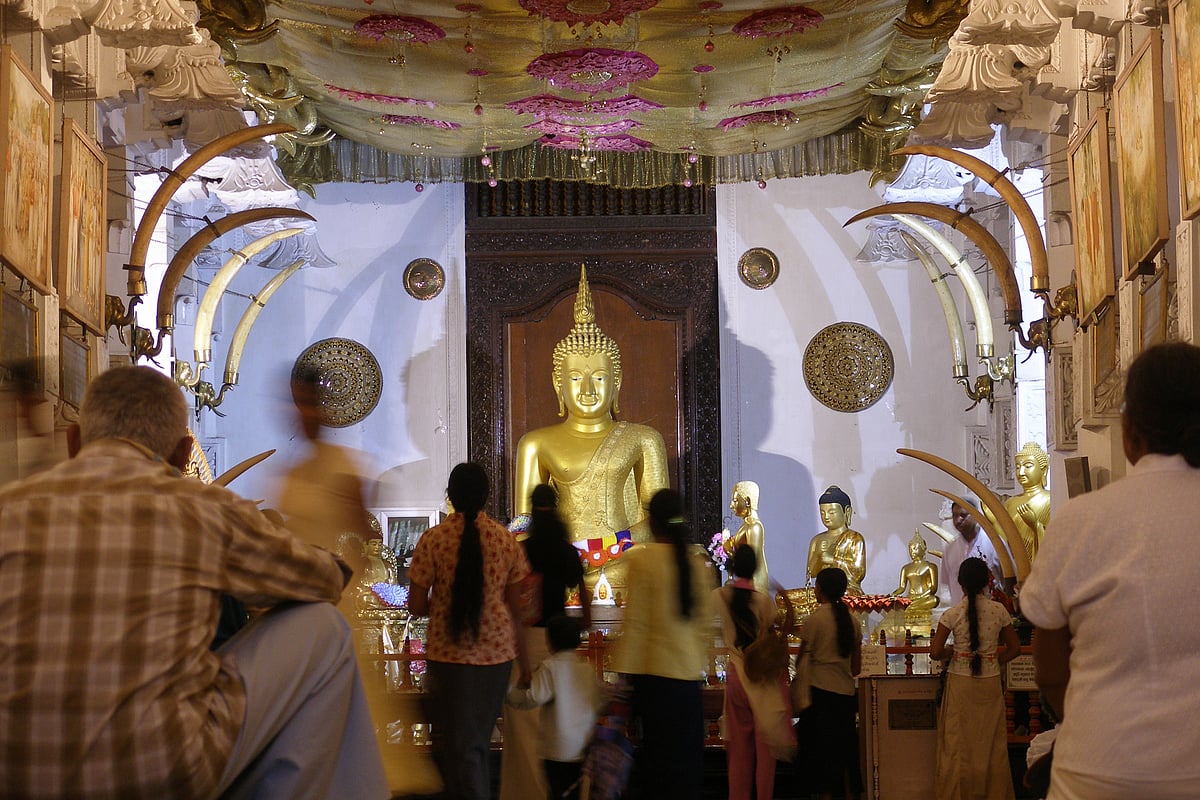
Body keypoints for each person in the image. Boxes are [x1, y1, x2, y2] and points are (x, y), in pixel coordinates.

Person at [0, 365, 388, 799]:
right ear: (185, 454)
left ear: (73, 442)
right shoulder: (207, 510)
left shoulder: (9, 509)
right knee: (325, 626)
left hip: (17, 776)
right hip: (161, 772)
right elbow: (326, 580)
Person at [1021, 342, 1200, 800]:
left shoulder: (1081, 519)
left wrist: (1084, 720)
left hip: (1096, 770)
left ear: (1129, 431)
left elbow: (1048, 664)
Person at [512, 265, 669, 596]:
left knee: (667, 560)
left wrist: (605, 549)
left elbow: (659, 522)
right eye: (574, 378)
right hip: (563, 565)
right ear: (558, 384)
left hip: (623, 560)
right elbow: (525, 523)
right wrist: (563, 555)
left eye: (598, 377)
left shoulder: (643, 439)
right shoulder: (536, 444)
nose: (586, 390)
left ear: (617, 382)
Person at [408, 462, 532, 800]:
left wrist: (446, 608)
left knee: (456, 745)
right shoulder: (506, 541)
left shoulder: (433, 540)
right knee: (474, 743)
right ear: (486, 496)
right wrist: (528, 663)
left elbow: (416, 605)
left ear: (450, 496)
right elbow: (516, 609)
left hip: (446, 655)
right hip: (496, 656)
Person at [612, 488, 713, 800]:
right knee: (685, 768)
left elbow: (637, 624)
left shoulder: (642, 560)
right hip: (687, 679)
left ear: (652, 522)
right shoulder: (697, 565)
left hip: (654, 680)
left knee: (657, 768)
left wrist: (622, 677)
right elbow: (703, 626)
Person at [501, 483, 592, 800]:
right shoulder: (566, 550)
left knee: (525, 727)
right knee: (555, 723)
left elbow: (510, 601)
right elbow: (581, 587)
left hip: (525, 639)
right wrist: (584, 622)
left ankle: (526, 792)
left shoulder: (522, 549)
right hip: (559, 645)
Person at [930, 557, 1020, 800]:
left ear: (960, 583)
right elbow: (1015, 649)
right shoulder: (999, 610)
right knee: (991, 744)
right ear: (985, 582)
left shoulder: (952, 614)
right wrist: (993, 659)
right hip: (989, 683)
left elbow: (936, 652)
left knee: (958, 745)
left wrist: (953, 652)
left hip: (960, 682)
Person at [712, 544, 794, 800]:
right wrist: (786, 599)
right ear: (756, 568)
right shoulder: (763, 601)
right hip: (761, 679)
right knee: (765, 753)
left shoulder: (719, 596)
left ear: (732, 567)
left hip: (737, 676)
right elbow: (783, 628)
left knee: (738, 753)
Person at [505, 615, 604, 800]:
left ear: (550, 642)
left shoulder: (550, 668)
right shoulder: (587, 669)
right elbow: (599, 702)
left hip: (557, 750)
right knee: (574, 793)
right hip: (583, 747)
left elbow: (532, 698)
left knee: (557, 792)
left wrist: (507, 692)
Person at [794, 567, 863, 800]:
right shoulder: (853, 622)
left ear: (820, 590)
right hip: (845, 697)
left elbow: (800, 658)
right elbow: (856, 668)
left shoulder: (815, 619)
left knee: (822, 759)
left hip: (820, 696)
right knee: (844, 756)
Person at [992, 442, 1051, 563]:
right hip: (1016, 568)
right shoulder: (1011, 502)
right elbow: (1005, 542)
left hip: (1039, 566)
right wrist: (994, 522)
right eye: (1018, 467)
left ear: (1043, 470)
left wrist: (1036, 525)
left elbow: (1056, 541)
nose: (1021, 472)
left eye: (1028, 466)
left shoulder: (1050, 499)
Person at [943, 496, 1004, 604]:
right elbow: (948, 582)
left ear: (975, 515)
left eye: (963, 515)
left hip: (991, 613)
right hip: (960, 614)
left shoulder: (995, 543)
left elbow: (1008, 578)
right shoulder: (950, 549)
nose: (958, 520)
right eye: (954, 515)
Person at [806, 485, 866, 594]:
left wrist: (831, 560)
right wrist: (818, 555)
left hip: (847, 589)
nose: (826, 517)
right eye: (822, 512)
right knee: (782, 598)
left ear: (846, 511)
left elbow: (858, 572)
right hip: (821, 591)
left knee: (845, 594)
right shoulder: (817, 540)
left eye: (832, 512)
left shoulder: (855, 538)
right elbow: (811, 573)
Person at [723, 480, 770, 594]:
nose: (731, 505)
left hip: (754, 583)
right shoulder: (746, 526)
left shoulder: (754, 526)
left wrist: (730, 552)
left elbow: (752, 562)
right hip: (746, 583)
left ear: (747, 501)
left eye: (735, 501)